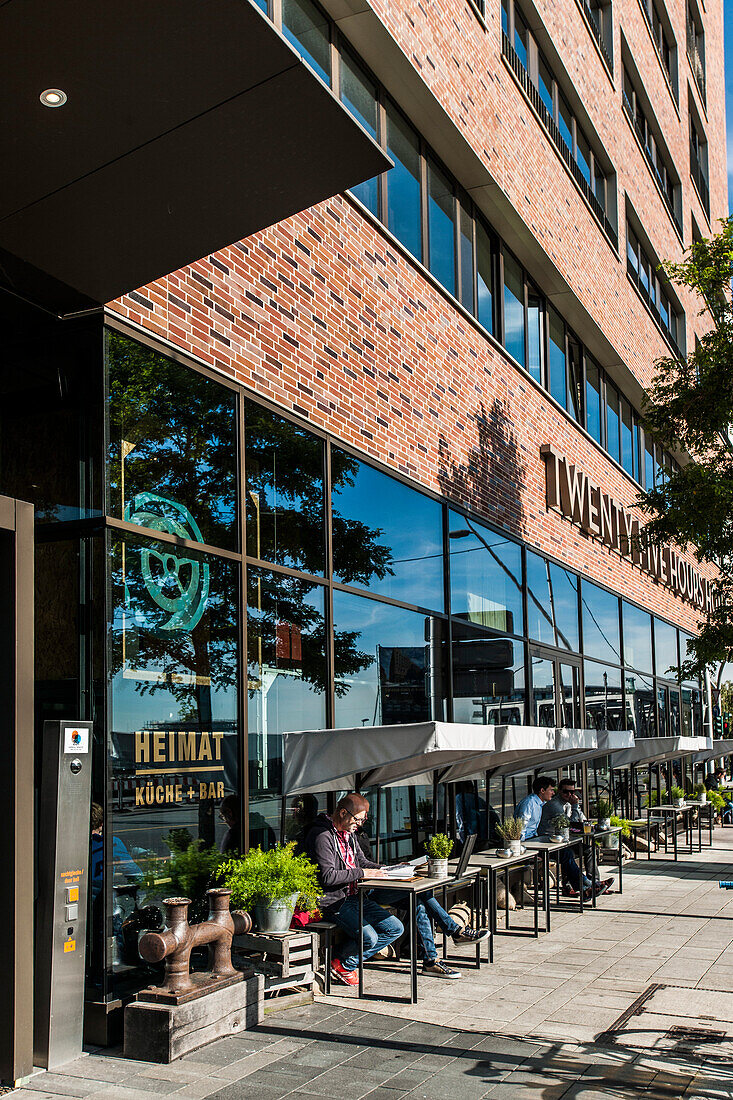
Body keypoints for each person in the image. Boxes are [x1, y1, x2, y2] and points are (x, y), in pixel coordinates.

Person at [307, 793, 488, 985]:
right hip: (336, 901)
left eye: (362, 820)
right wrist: (363, 873)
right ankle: (344, 962)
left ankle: (438, 951)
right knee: (370, 936)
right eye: (358, 819)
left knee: (409, 909)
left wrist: (389, 869)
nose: (359, 825)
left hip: (359, 894)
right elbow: (328, 876)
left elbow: (362, 862)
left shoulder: (347, 834)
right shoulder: (322, 836)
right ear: (343, 813)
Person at [537, 780, 609, 900]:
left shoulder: (568, 804)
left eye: (572, 792)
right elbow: (570, 824)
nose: (569, 795)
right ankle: (585, 886)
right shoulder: (554, 805)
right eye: (566, 792)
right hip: (549, 842)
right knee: (568, 854)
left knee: (590, 850)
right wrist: (575, 806)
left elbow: (581, 819)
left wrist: (577, 808)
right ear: (559, 791)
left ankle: (594, 883)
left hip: (564, 841)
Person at [515, 775, 555, 840]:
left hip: (534, 836)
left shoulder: (541, 803)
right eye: (551, 790)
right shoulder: (529, 802)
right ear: (542, 790)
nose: (553, 793)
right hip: (526, 839)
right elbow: (521, 825)